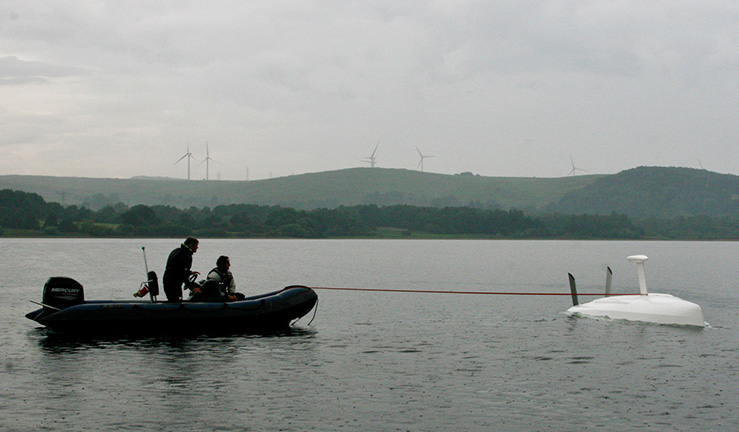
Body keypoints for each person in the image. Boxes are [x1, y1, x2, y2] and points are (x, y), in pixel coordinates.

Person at [163, 237, 200, 302]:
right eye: (196, 246)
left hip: (168, 280)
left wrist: (189, 272)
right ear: (191, 246)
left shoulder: (177, 251)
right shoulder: (186, 256)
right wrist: (192, 288)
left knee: (173, 299)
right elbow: (183, 274)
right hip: (173, 283)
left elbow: (177, 269)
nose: (197, 247)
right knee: (175, 300)